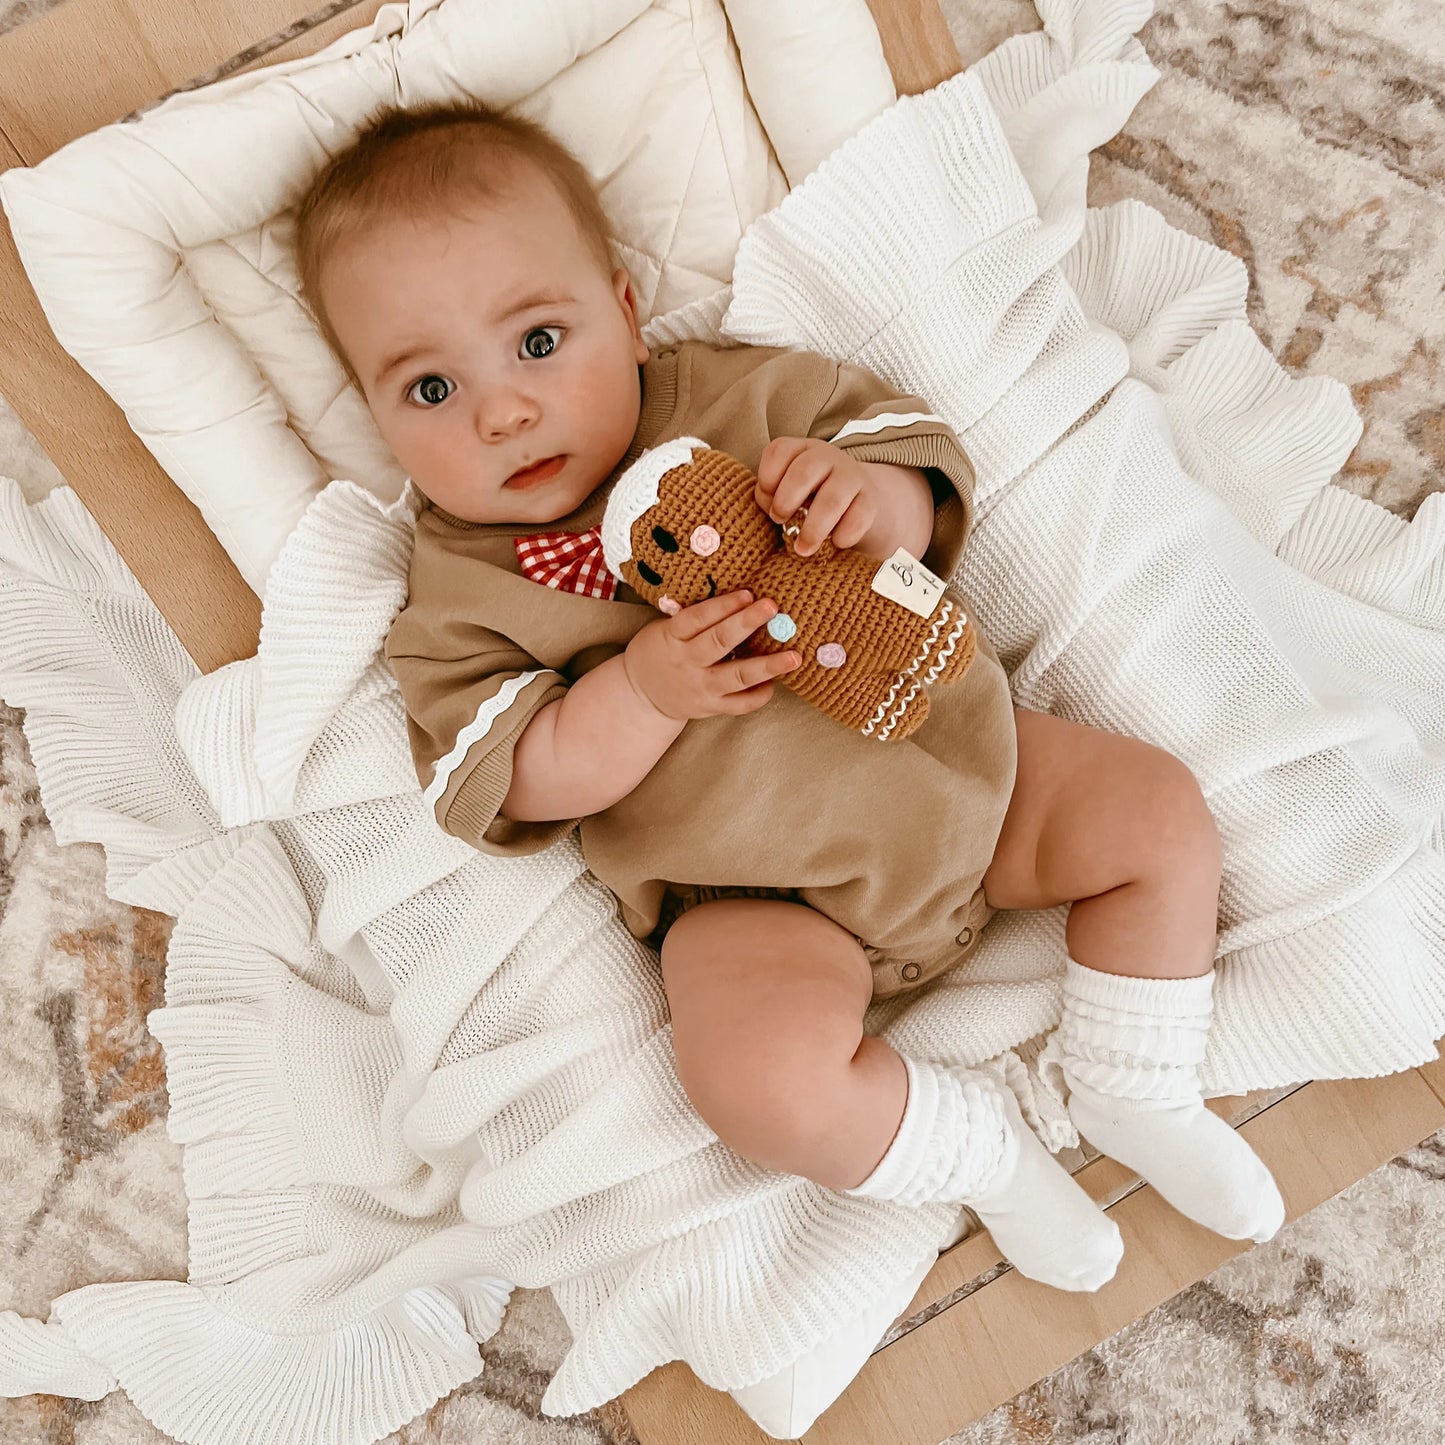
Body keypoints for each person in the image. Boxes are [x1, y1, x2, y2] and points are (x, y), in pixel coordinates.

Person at [294, 102, 1286, 1292]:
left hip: (957, 761)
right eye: (429, 389)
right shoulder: (457, 593)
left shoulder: (740, 399)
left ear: (621, 310)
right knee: (755, 1088)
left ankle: (1137, 1083)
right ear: (371, 412)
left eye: (539, 343)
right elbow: (511, 783)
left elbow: (927, 492)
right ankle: (982, 1153)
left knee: (1155, 812)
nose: (500, 409)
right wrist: (641, 691)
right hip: (754, 900)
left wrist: (861, 496)